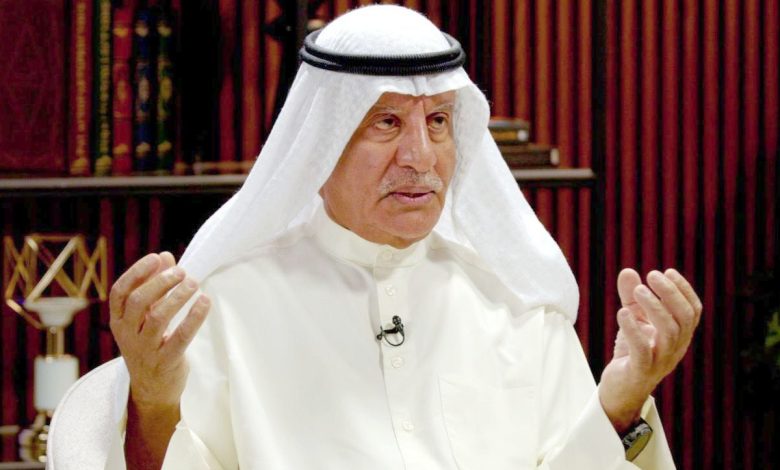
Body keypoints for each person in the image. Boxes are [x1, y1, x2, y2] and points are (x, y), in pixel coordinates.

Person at [105, 5, 700, 469]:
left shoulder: (515, 302)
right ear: (320, 145)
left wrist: (623, 401)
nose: (421, 156)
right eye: (387, 122)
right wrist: (152, 399)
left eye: (438, 121)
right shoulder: (227, 307)